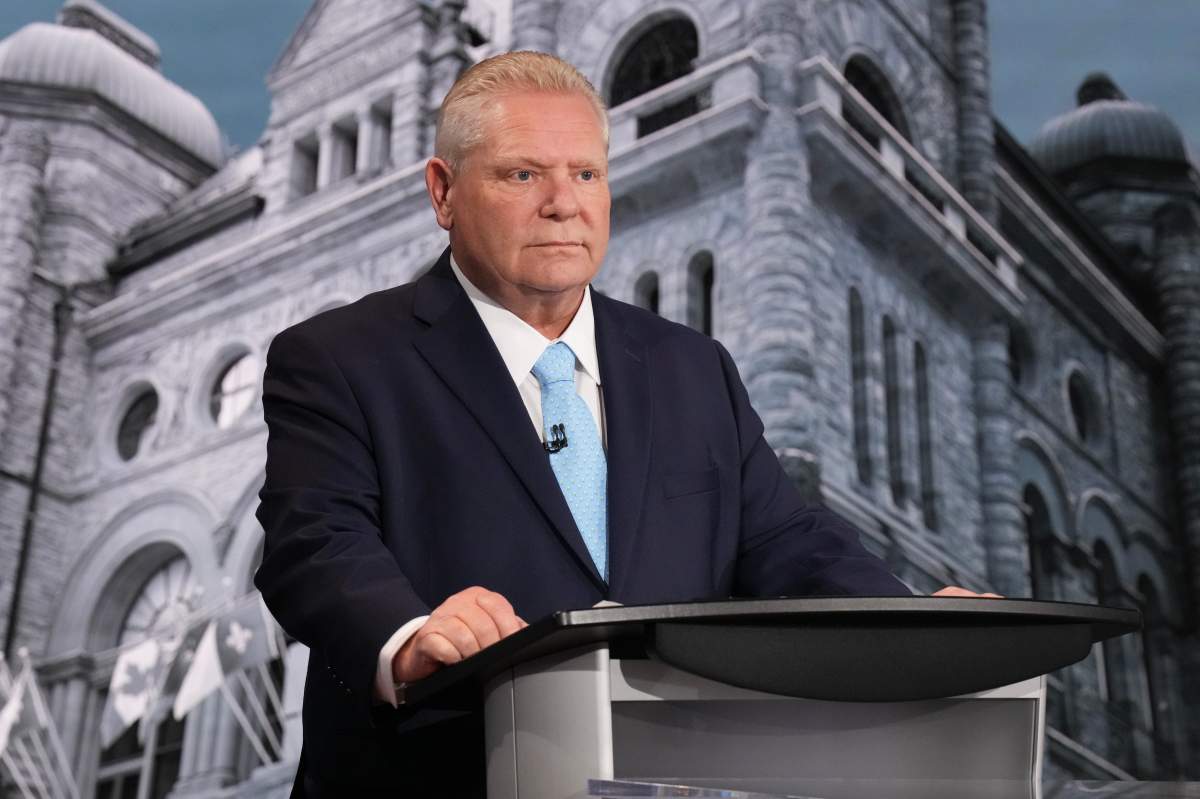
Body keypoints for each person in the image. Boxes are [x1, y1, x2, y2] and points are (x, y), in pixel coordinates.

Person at [254, 50, 995, 797]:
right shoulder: (340, 357)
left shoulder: (692, 367)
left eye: (586, 174)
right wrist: (408, 635)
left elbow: (782, 540)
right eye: (522, 174)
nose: (563, 203)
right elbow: (313, 540)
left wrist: (909, 618)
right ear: (443, 193)